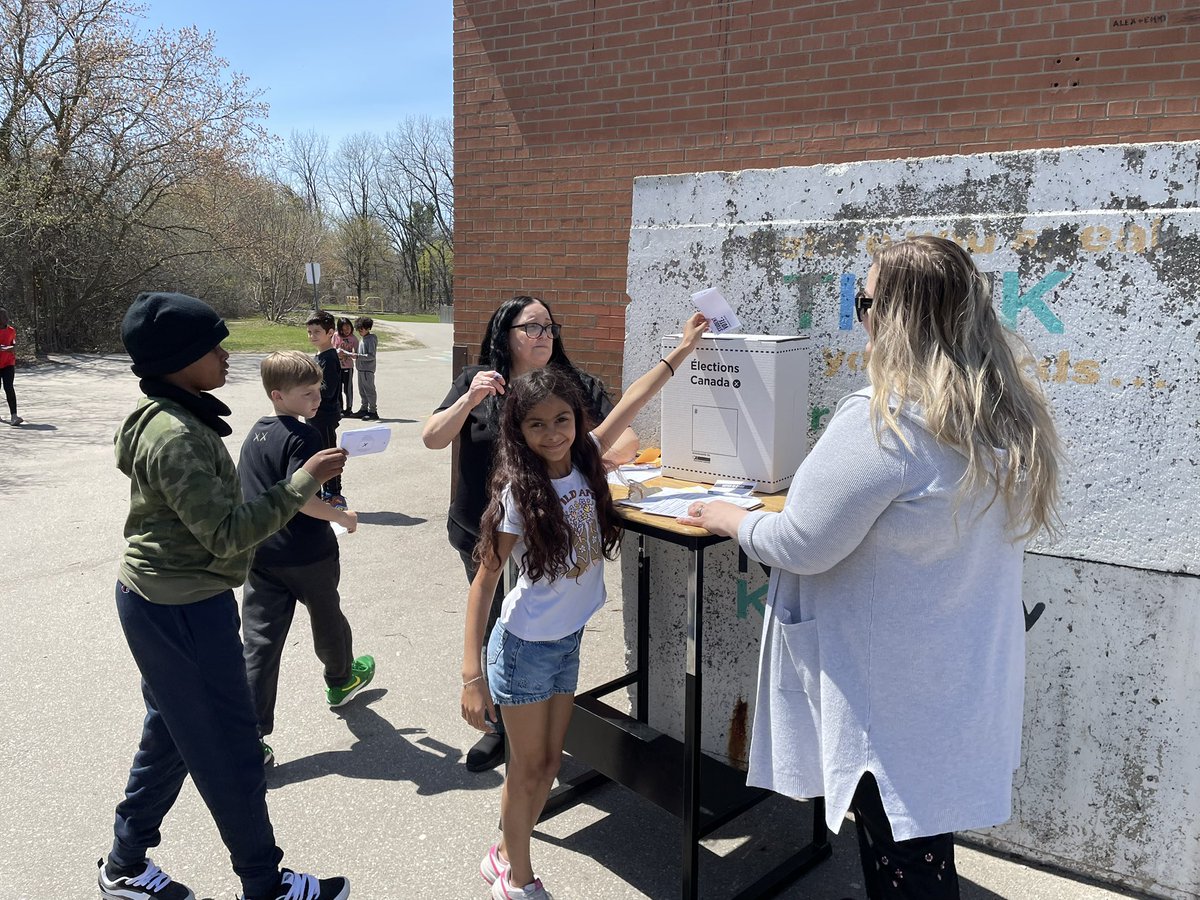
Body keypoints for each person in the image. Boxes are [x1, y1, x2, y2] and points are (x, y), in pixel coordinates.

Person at [678, 236, 1062, 900]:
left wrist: (727, 517)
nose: (858, 317)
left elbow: (802, 541)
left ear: (893, 314)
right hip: (949, 679)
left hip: (887, 694)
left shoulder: (886, 418)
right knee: (919, 847)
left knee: (899, 863)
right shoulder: (1000, 412)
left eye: (863, 301)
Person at [102, 292, 351, 900]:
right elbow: (224, 535)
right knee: (230, 747)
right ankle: (265, 884)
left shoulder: (171, 416)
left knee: (172, 733)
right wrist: (302, 482)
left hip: (170, 601)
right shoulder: (176, 436)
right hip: (180, 608)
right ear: (181, 360)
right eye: (213, 346)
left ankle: (125, 863)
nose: (224, 354)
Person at [462, 313, 708, 900]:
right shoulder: (520, 493)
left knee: (548, 765)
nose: (553, 434)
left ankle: (504, 851)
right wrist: (472, 675)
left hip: (565, 642)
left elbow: (635, 398)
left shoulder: (587, 461)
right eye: (537, 425)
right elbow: (484, 582)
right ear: (518, 432)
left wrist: (682, 351)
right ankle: (515, 878)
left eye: (563, 421)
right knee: (527, 768)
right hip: (522, 648)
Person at [423, 295, 639, 773]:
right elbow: (433, 437)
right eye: (532, 327)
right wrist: (470, 398)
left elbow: (626, 438)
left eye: (549, 327)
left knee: (539, 630)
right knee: (498, 621)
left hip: (548, 533)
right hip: (484, 530)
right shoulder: (478, 382)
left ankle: (529, 723)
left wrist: (582, 462)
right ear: (506, 333)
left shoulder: (572, 386)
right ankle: (500, 725)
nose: (544, 336)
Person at [238, 351, 376, 766]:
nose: (318, 399)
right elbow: (303, 500)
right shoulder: (305, 437)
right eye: (308, 393)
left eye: (319, 390)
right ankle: (341, 678)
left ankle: (249, 735)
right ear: (278, 395)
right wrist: (342, 516)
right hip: (309, 554)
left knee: (259, 642)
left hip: (261, 553)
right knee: (327, 616)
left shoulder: (256, 433)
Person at [306, 311, 346, 510]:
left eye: (317, 331)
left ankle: (335, 494)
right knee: (316, 454)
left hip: (325, 417)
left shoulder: (329, 358)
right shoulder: (319, 356)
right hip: (314, 416)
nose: (312, 335)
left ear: (330, 332)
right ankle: (319, 493)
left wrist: (306, 391)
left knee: (329, 455)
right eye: (309, 331)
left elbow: (328, 390)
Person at [350, 316, 378, 420]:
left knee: (369, 390)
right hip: (361, 369)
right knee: (362, 390)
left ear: (367, 328)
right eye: (358, 329)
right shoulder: (363, 339)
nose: (359, 331)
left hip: (367, 369)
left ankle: (372, 410)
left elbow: (371, 355)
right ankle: (364, 408)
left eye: (361, 329)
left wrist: (358, 356)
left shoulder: (371, 339)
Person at [0, 306, 23, 426]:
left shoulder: (11, 330)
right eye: (3, 316)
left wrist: (13, 347)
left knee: (9, 387)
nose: (6, 318)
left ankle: (14, 416)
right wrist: (5, 348)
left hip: (8, 363)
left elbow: (13, 343)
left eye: (6, 316)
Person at [332, 317, 358, 416]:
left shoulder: (353, 338)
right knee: (338, 389)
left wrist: (354, 355)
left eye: (348, 328)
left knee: (348, 388)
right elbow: (333, 349)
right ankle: (340, 409)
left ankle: (349, 408)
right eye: (343, 329)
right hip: (337, 367)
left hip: (348, 367)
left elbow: (356, 352)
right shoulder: (335, 336)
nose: (346, 331)